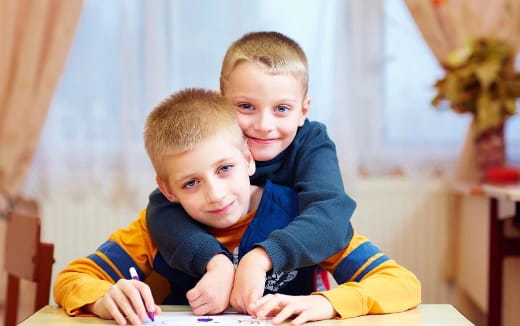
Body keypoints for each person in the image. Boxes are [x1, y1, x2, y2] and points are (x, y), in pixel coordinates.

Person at [54, 88, 421, 326]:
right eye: (191, 183)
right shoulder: (154, 228)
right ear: (167, 190)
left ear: (248, 160)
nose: (215, 195)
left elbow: (402, 284)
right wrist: (104, 298)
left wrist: (327, 304)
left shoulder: (301, 219)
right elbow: (71, 280)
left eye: (225, 169)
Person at [146, 31, 357, 315]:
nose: (263, 125)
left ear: (303, 110)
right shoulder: (209, 147)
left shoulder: (312, 143)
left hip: (294, 290)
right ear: (221, 102)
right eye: (246, 107)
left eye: (281, 108)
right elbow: (162, 206)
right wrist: (216, 262)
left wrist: (261, 257)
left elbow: (330, 214)